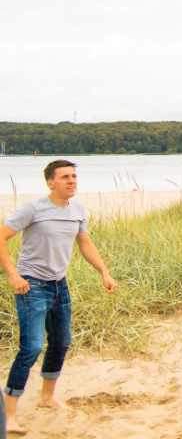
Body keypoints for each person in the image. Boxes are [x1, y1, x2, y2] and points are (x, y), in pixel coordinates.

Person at [1, 160, 116, 435]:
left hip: (58, 285)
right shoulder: (33, 209)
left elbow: (85, 243)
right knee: (31, 347)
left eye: (74, 176)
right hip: (31, 285)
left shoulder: (77, 210)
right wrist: (13, 275)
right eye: (64, 177)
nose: (71, 181)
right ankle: (8, 416)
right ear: (50, 182)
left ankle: (46, 398)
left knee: (61, 342)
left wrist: (104, 272)